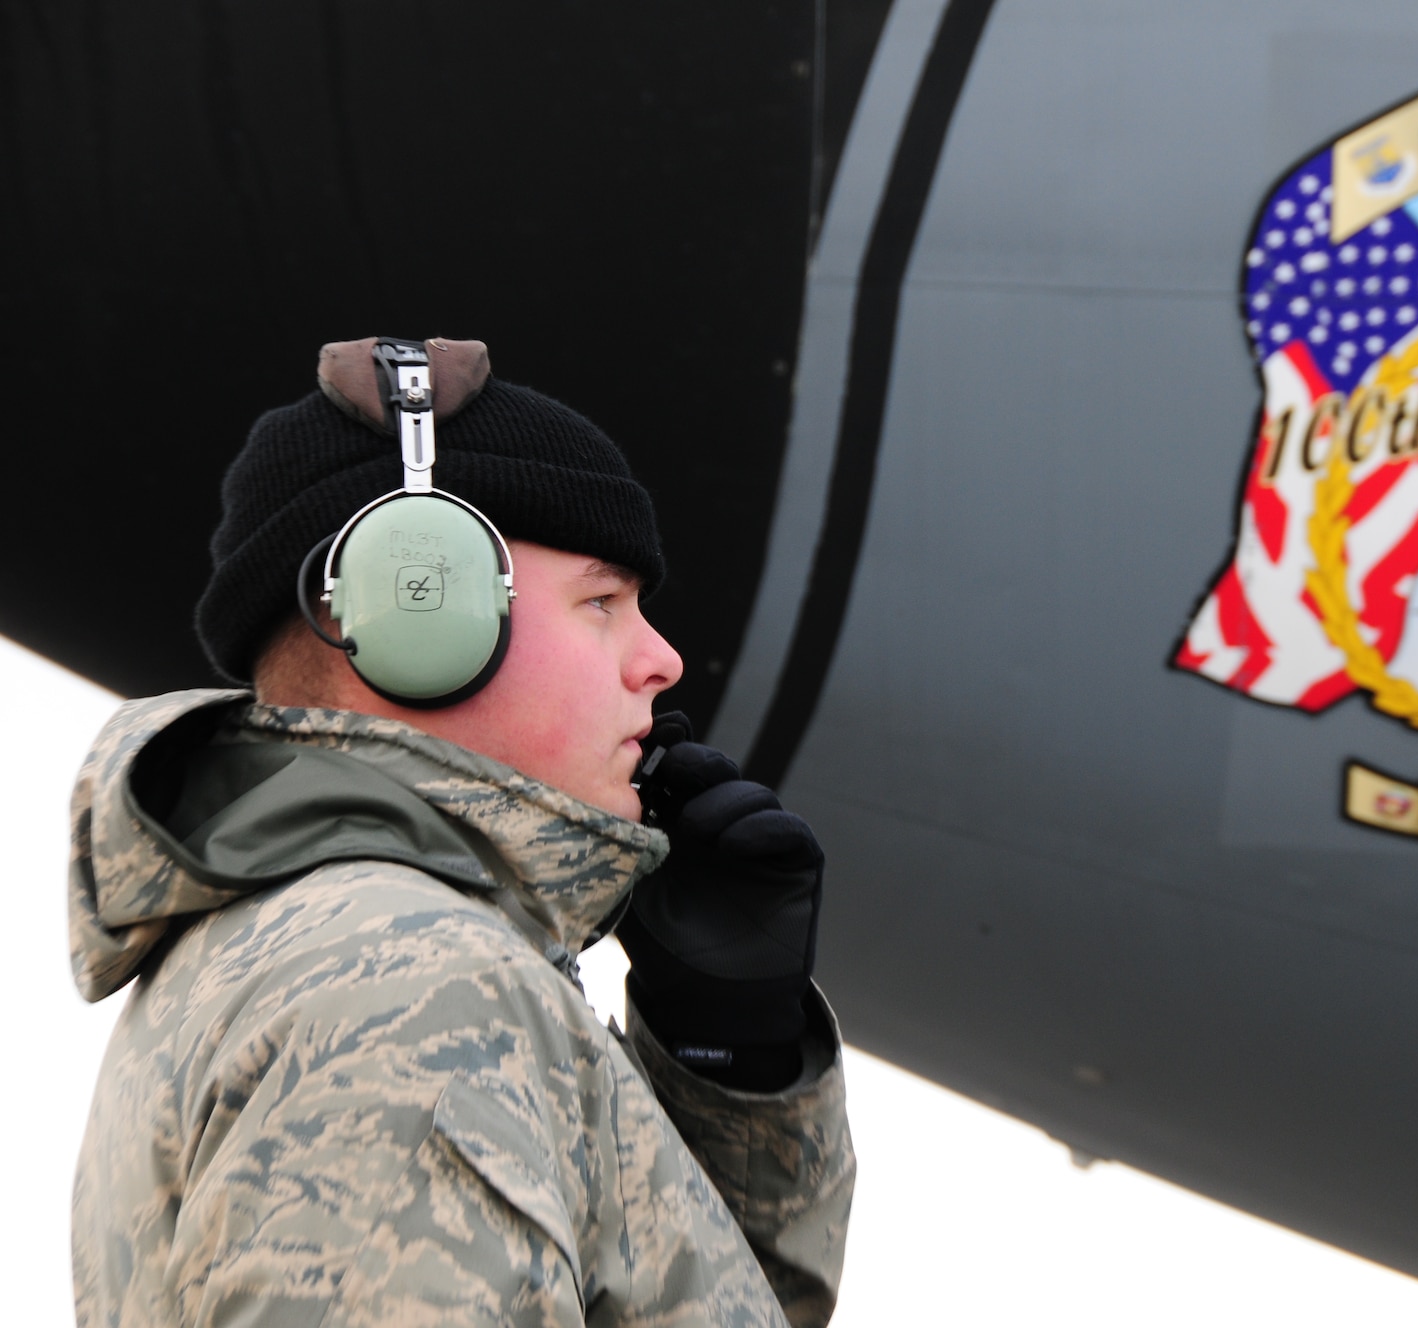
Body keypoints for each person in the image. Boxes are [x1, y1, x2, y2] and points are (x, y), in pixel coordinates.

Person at [69, 338, 853, 1326]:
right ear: (417, 607)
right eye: (602, 602)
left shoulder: (337, 953)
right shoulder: (406, 982)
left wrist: (725, 1052)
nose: (661, 660)